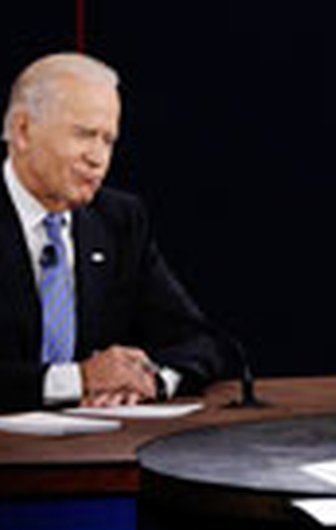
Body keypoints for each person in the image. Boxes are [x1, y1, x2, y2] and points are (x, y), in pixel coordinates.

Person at [0, 52, 227, 412]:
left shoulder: (119, 220)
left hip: (95, 451)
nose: (98, 157)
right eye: (84, 135)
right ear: (23, 131)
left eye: (108, 140)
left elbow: (199, 342)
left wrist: (151, 381)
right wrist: (79, 380)